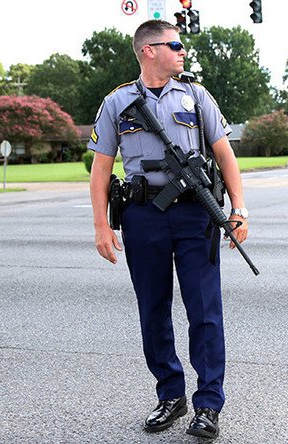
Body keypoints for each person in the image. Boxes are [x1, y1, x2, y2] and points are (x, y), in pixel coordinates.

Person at [88, 20, 248, 439]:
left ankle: (208, 404)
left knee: (204, 311)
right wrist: (101, 226)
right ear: (148, 51)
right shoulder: (117, 102)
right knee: (153, 310)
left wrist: (240, 208)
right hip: (143, 215)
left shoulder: (196, 96)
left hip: (196, 214)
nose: (182, 51)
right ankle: (170, 396)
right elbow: (101, 167)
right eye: (174, 45)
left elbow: (224, 154)